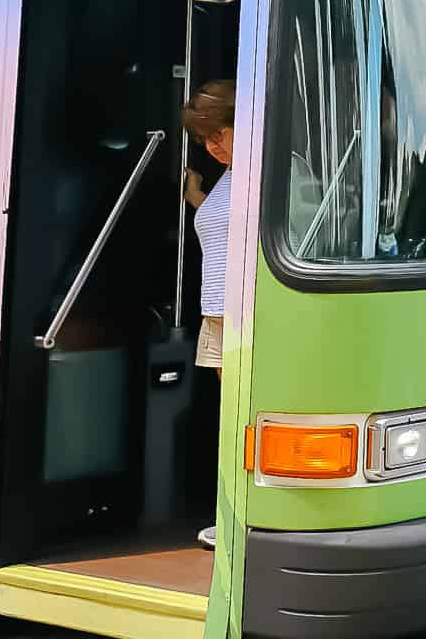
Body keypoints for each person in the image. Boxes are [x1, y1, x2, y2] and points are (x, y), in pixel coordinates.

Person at [181, 79, 234, 551]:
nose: (213, 145)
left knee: (246, 418)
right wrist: (195, 195)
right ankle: (234, 516)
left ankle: (243, 520)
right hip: (216, 313)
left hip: (243, 316)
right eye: (206, 140)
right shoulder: (231, 177)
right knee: (232, 420)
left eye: (220, 132)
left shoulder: (270, 175)